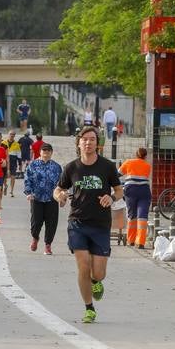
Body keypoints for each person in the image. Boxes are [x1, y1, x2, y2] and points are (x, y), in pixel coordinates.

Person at [54, 125, 123, 324]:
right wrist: (60, 196)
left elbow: (119, 190)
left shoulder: (107, 166)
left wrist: (111, 198)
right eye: (85, 139)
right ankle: (89, 308)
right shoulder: (71, 167)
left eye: (92, 139)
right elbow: (58, 189)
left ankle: (95, 282)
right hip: (77, 222)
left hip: (101, 224)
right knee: (83, 266)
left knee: (98, 272)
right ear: (79, 142)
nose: (88, 143)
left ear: (97, 144)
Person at [24, 142, 62, 254]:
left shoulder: (56, 167)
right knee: (36, 222)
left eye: (48, 151)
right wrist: (28, 192)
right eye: (44, 151)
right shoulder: (32, 165)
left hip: (52, 198)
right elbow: (27, 179)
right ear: (40, 152)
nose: (46, 153)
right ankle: (35, 238)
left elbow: (62, 183)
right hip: (36, 198)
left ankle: (48, 245)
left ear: (51, 153)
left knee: (51, 223)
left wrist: (62, 196)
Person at [119, 147, 152, 248]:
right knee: (142, 216)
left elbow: (117, 174)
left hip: (130, 190)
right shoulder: (148, 166)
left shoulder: (129, 162)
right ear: (145, 156)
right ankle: (140, 242)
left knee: (132, 215)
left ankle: (131, 240)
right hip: (144, 191)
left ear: (136, 154)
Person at [2, 129, 22, 196]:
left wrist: (20, 164)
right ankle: (5, 185)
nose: (12, 135)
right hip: (5, 162)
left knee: (13, 177)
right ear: (8, 135)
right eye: (11, 134)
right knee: (4, 177)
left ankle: (11, 191)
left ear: (14, 136)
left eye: (13, 134)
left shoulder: (17, 144)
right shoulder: (3, 143)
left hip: (13, 162)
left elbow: (19, 155)